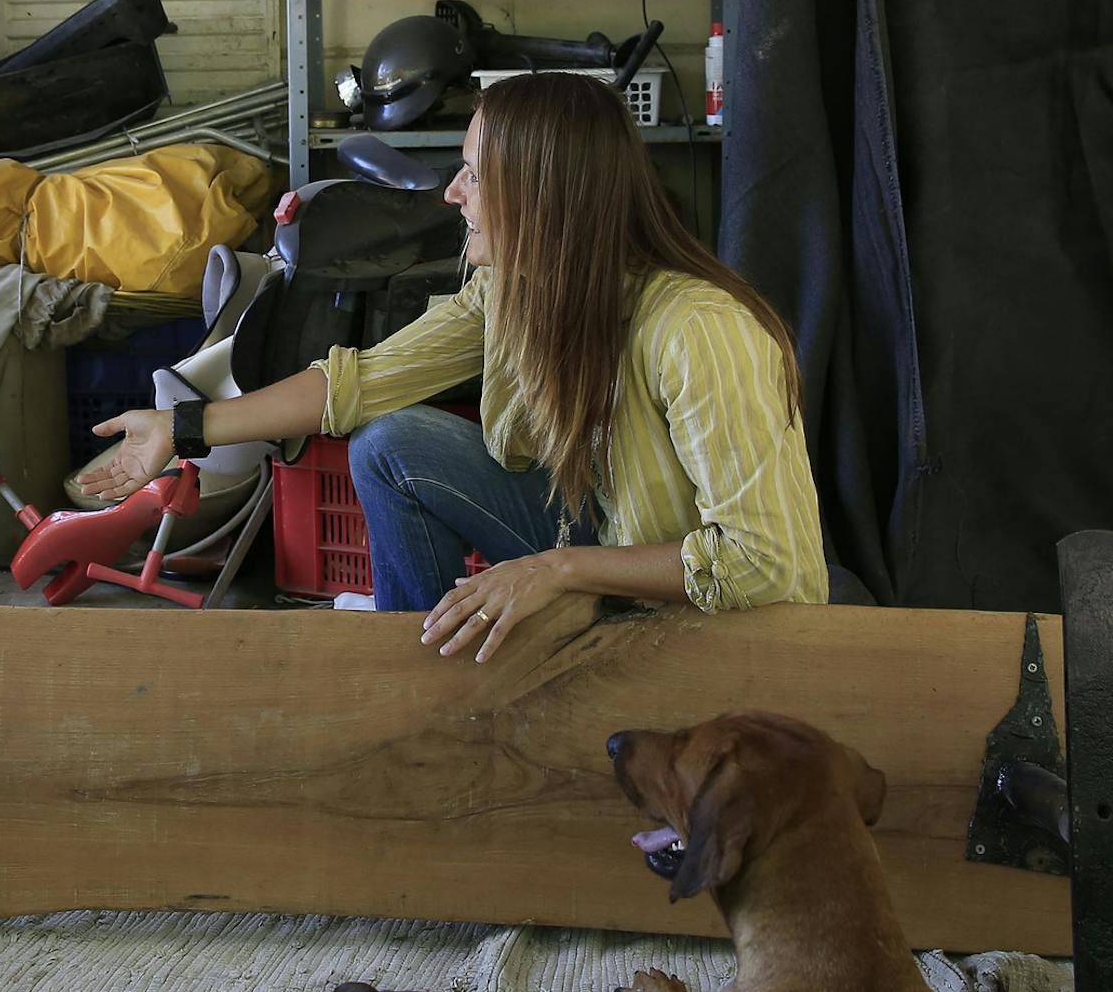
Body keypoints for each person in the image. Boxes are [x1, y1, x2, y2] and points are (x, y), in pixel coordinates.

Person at [88, 72, 827, 657]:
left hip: (707, 614)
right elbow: (359, 383)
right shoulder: (513, 290)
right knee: (390, 443)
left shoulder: (699, 331)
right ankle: (423, 665)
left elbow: (765, 566)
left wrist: (557, 571)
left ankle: (525, 638)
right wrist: (181, 428)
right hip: (605, 537)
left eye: (473, 174)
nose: (451, 194)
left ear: (542, 195)